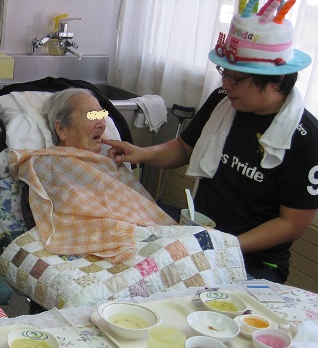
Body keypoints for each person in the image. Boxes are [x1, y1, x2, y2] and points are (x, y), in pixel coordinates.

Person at [102, 6, 318, 284]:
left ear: (276, 81)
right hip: (198, 238)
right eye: (224, 72)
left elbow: (292, 224)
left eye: (236, 79)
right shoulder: (222, 101)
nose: (225, 84)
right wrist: (143, 153)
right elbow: (183, 148)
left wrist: (225, 245)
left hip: (252, 260)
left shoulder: (305, 139)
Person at [8, 88, 176, 263]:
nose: (102, 124)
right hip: (113, 243)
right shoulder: (47, 163)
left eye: (101, 116)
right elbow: (71, 210)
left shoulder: (108, 164)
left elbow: (137, 208)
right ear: (61, 129)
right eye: (91, 116)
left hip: (149, 236)